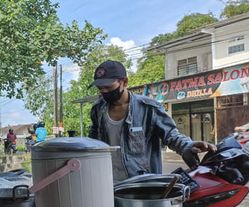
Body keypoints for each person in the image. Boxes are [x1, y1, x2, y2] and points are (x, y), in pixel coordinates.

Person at [88, 60, 216, 183]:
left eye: (108, 87)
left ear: (124, 82)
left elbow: (171, 136)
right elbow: (93, 143)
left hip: (142, 186)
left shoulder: (149, 108)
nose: (104, 92)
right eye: (100, 88)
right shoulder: (98, 109)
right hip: (107, 183)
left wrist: (187, 146)